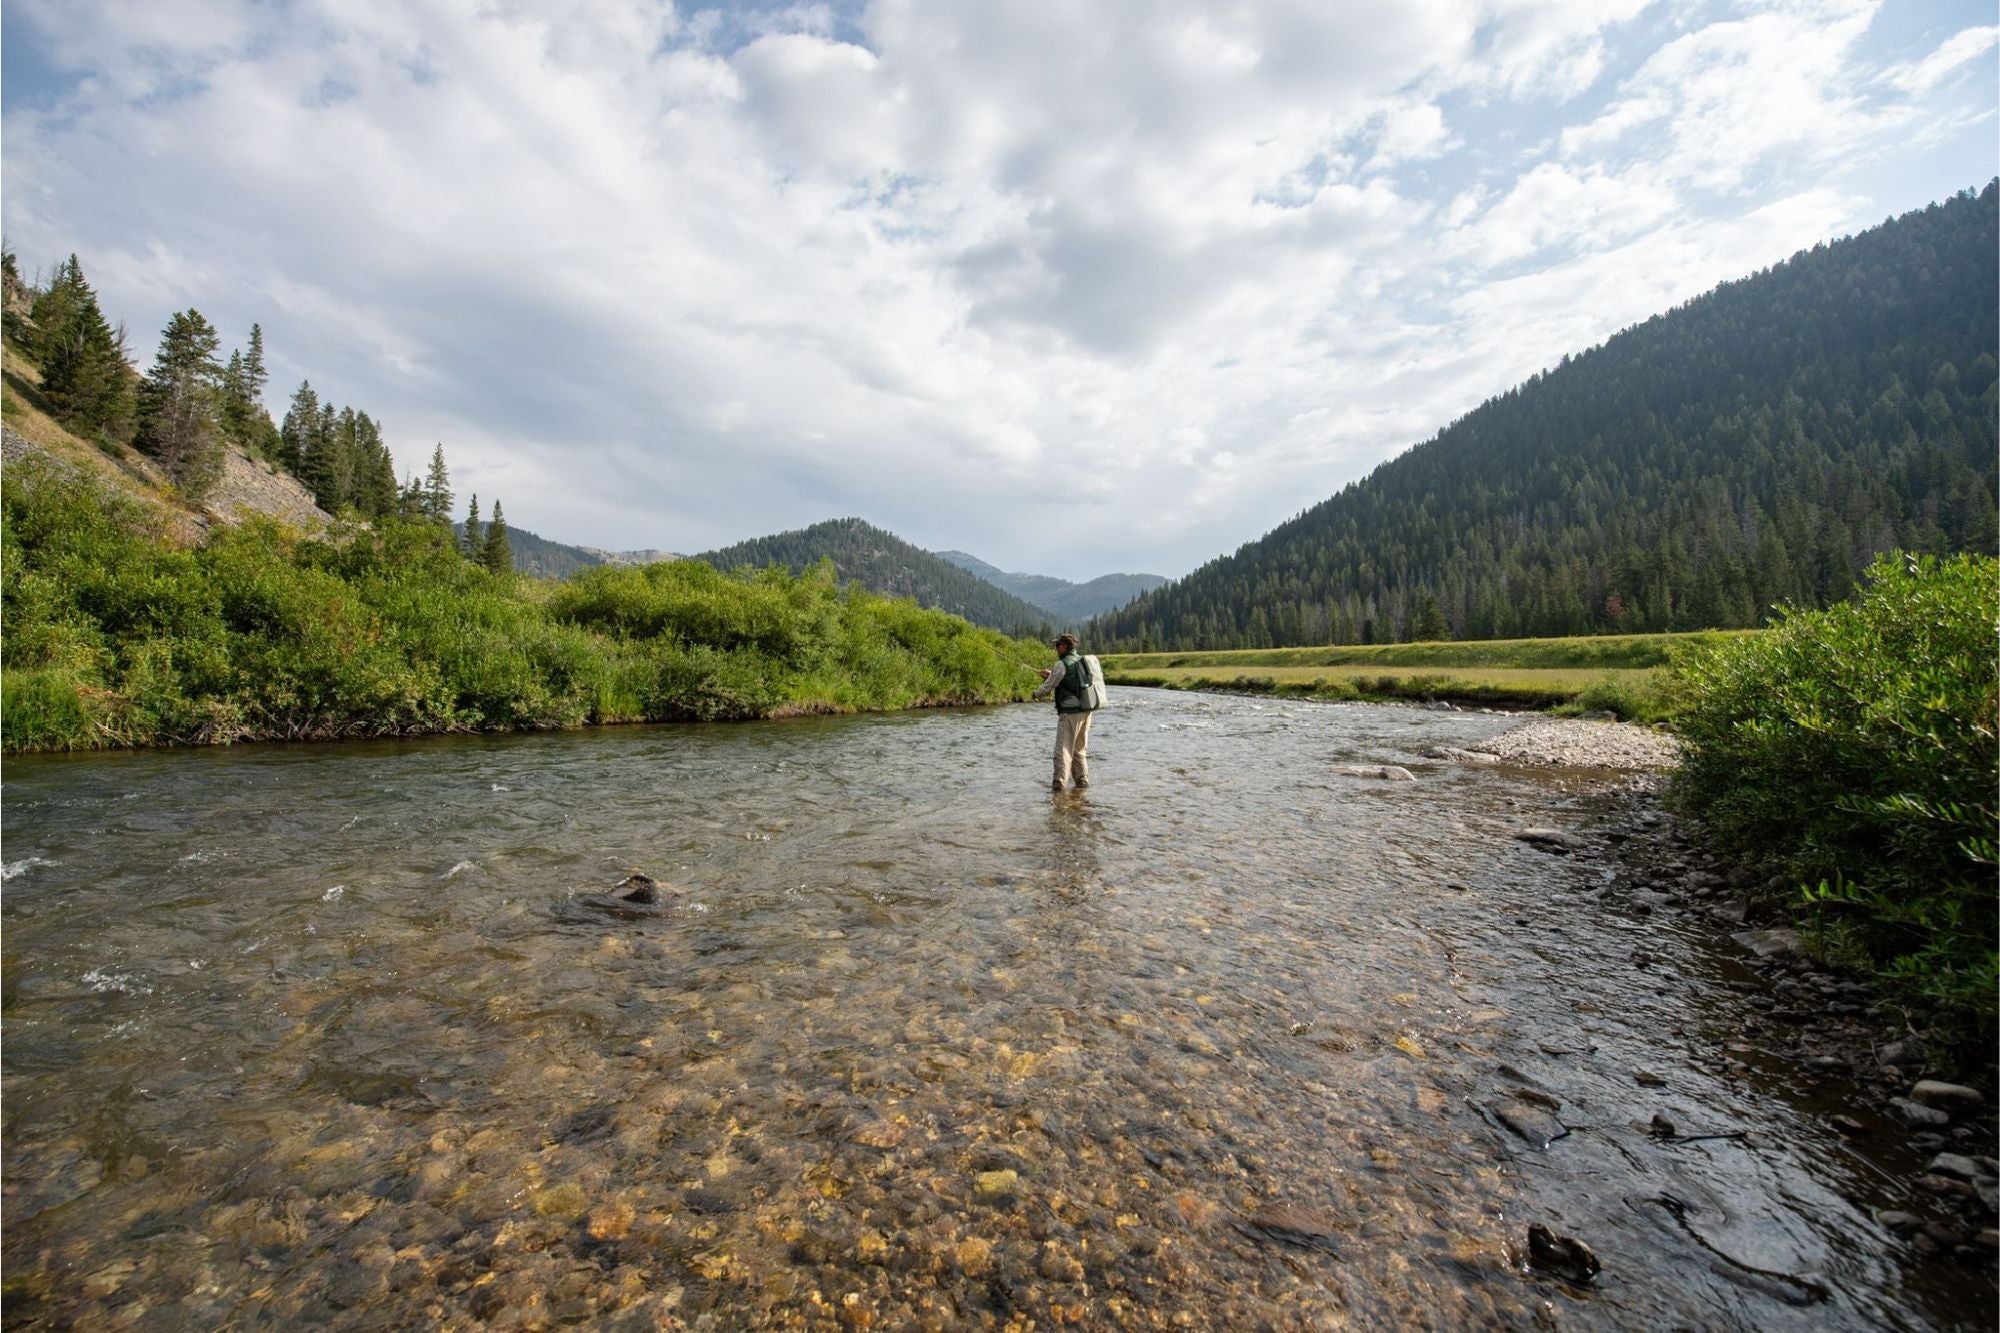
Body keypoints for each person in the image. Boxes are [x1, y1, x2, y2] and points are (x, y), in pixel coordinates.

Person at [1032, 632, 1093, 792]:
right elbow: (1069, 681)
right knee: (1079, 751)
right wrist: (1051, 675)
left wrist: (1035, 694)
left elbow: (1047, 688)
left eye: (1057, 646)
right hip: (1086, 712)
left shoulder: (1062, 664)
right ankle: (1082, 784)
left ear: (1064, 646)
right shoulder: (1080, 661)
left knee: (1063, 751)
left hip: (1070, 713)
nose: (1055, 649)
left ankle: (1058, 787)